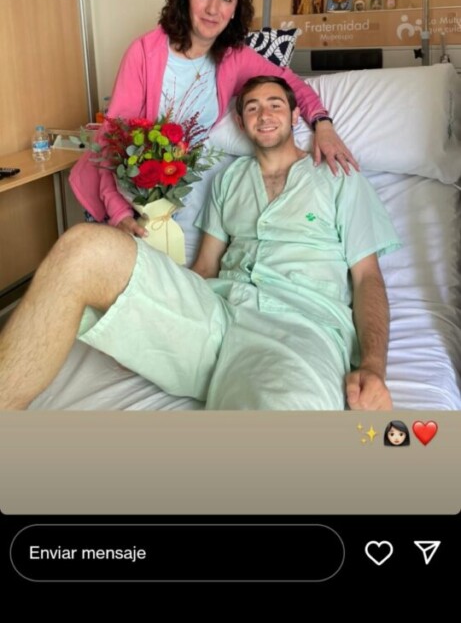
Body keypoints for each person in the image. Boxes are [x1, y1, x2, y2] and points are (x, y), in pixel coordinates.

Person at [0, 76, 400, 412]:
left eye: (275, 105)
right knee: (83, 248)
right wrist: (145, 307)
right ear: (241, 123)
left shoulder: (338, 177)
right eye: (253, 108)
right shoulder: (230, 179)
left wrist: (373, 367)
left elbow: (367, 278)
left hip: (297, 327)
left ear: (296, 115)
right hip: (214, 316)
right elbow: (205, 267)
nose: (264, 115)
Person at [70, 0, 358, 237]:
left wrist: (323, 124)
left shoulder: (235, 58)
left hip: (161, 200)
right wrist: (119, 213)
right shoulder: (144, 53)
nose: (213, 9)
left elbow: (291, 83)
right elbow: (113, 139)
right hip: (112, 197)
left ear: (235, 9)